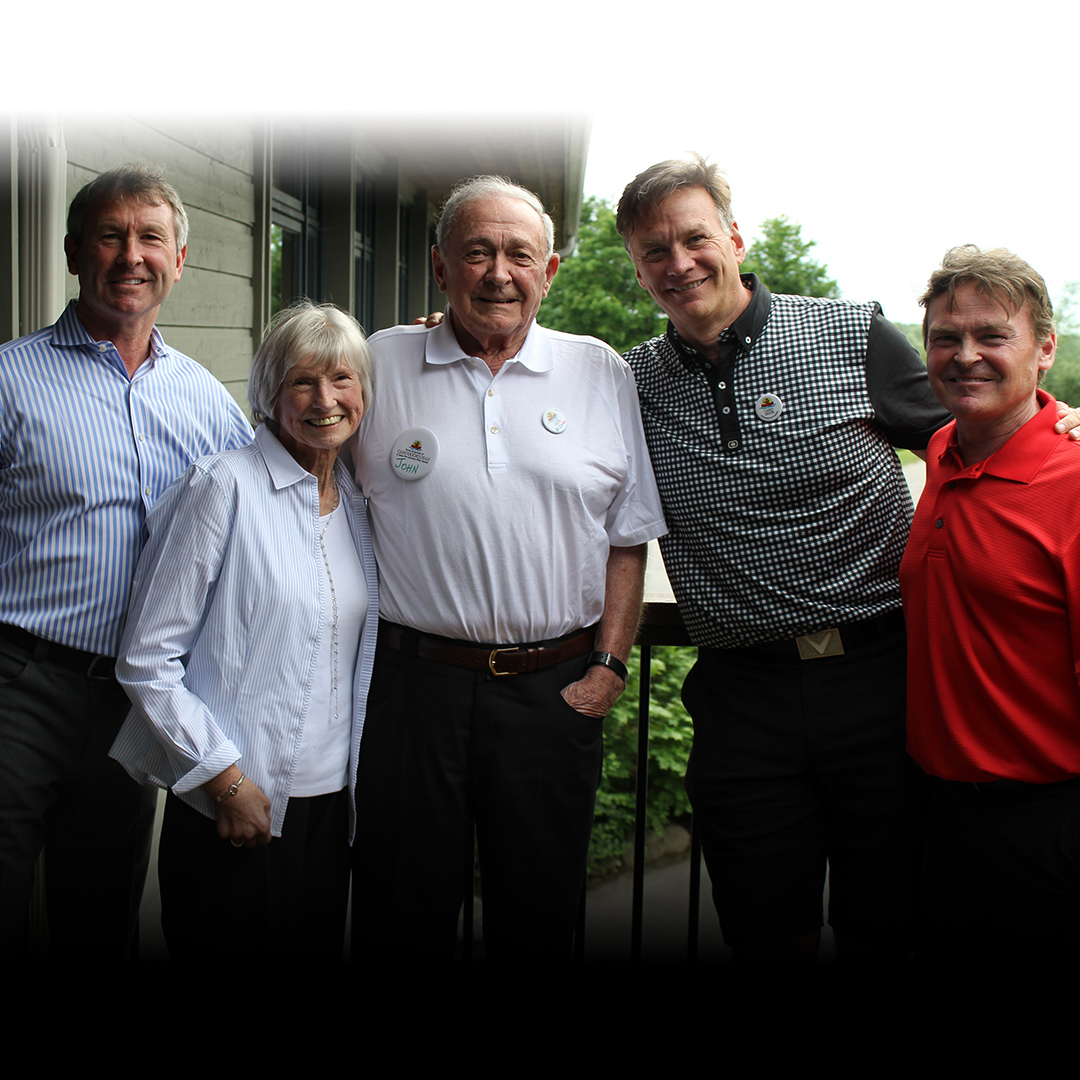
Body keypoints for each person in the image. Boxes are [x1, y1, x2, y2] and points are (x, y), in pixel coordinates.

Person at [614, 154, 956, 962]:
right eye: (653, 252)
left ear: (733, 235)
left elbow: (969, 435)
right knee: (765, 930)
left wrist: (1057, 428)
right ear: (636, 266)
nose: (678, 263)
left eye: (694, 238)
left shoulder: (847, 330)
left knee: (893, 920)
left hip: (885, 678)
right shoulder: (628, 380)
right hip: (742, 699)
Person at [351, 175, 666, 962]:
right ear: (440, 266)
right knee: (401, 909)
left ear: (549, 271)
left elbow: (628, 534)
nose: (499, 273)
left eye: (519, 255)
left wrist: (609, 667)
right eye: (477, 253)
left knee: (539, 913)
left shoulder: (600, 372)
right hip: (415, 687)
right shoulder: (379, 362)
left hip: (553, 690)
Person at [0, 163, 252, 960]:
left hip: (134, 704)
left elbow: (278, 504)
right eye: (111, 235)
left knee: (99, 912)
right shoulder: (10, 380)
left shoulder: (207, 400)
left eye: (152, 238)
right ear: (76, 251)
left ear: (180, 261)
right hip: (18, 687)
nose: (131, 255)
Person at [110, 302, 378, 963]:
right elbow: (148, 661)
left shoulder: (361, 505)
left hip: (331, 808)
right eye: (302, 381)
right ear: (269, 391)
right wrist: (223, 780)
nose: (325, 400)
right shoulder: (221, 487)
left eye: (342, 378)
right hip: (236, 804)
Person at [901, 246, 1080, 962]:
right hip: (932, 812)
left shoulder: (1073, 482)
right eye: (946, 337)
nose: (964, 355)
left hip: (1044, 829)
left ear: (1043, 351)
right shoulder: (944, 449)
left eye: (991, 336)